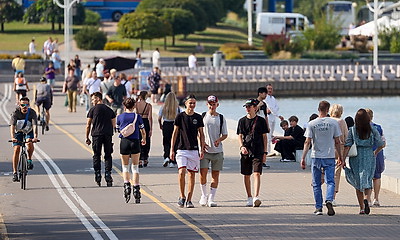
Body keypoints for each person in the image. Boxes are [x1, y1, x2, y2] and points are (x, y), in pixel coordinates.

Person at [301, 100, 343, 216]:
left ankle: (318, 207)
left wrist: (303, 157)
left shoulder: (312, 124)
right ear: (328, 110)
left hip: (316, 156)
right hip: (329, 156)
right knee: (330, 181)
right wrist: (340, 156)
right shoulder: (333, 123)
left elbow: (307, 142)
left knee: (316, 183)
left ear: (318, 109)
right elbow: (338, 142)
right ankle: (329, 199)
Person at [343, 109, 384, 215]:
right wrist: (375, 152)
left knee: (358, 182)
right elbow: (381, 142)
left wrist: (342, 159)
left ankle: (361, 207)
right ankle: (367, 198)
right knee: (368, 179)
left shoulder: (352, 130)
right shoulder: (372, 129)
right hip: (369, 155)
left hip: (356, 156)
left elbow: (347, 145)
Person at [170, 94, 205, 208]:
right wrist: (172, 149)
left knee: (192, 174)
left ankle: (189, 199)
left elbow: (201, 134)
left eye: (194, 103)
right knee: (181, 172)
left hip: (194, 149)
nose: (192, 105)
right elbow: (175, 133)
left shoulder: (198, 117)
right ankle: (182, 196)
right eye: (190, 103)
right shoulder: (180, 117)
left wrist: (202, 148)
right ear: (185, 104)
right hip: (181, 149)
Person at [237, 99, 268, 207]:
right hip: (246, 151)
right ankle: (249, 197)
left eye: (249, 106)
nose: (247, 108)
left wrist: (265, 152)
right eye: (246, 107)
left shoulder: (261, 121)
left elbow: (265, 137)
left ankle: (256, 196)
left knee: (256, 173)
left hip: (258, 150)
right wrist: (241, 147)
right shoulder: (242, 121)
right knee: (246, 175)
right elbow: (239, 135)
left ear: (255, 108)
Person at [199, 95, 228, 207]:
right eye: (210, 104)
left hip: (217, 150)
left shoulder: (221, 118)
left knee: (215, 174)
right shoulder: (203, 116)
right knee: (203, 173)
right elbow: (199, 132)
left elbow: (225, 134)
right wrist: (202, 142)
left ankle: (211, 198)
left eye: (214, 104)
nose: (212, 106)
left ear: (217, 105)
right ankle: (203, 195)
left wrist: (219, 140)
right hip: (205, 150)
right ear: (207, 104)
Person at [117, 98, 146, 203]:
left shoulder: (120, 117)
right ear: (134, 106)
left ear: (124, 106)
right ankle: (136, 189)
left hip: (124, 142)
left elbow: (117, 129)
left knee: (125, 167)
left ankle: (126, 185)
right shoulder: (137, 117)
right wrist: (144, 139)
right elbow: (143, 130)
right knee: (135, 167)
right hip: (135, 142)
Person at [85, 92, 116, 187]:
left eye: (93, 99)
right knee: (108, 155)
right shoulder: (109, 110)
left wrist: (87, 137)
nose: (92, 101)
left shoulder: (92, 110)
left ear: (98, 99)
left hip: (96, 135)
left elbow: (88, 125)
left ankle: (97, 174)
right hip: (107, 135)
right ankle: (108, 174)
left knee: (96, 155)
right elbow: (114, 124)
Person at [10, 97, 38, 182]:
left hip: (28, 131)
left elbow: (35, 125)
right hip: (18, 131)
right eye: (22, 105)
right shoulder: (15, 112)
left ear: (29, 105)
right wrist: (13, 137)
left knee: (29, 143)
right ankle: (15, 173)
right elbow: (12, 126)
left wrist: (35, 137)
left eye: (26, 105)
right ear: (19, 105)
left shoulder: (32, 112)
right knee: (17, 149)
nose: (24, 107)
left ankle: (29, 159)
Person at [365, 108, 386, 207]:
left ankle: (367, 199)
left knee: (367, 177)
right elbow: (383, 143)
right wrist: (376, 152)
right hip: (378, 155)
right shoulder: (378, 128)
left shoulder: (360, 128)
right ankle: (376, 199)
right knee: (377, 177)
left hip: (366, 155)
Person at [328, 104, 348, 206]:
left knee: (327, 172)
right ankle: (332, 198)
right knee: (336, 174)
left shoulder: (327, 121)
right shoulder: (341, 122)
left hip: (327, 150)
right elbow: (346, 136)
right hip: (339, 150)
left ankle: (327, 195)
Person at [158, 92, 181, 168]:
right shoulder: (177, 107)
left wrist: (160, 124)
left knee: (166, 142)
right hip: (174, 125)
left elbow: (159, 118)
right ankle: (173, 161)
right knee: (175, 142)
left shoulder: (163, 107)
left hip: (166, 124)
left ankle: (166, 157)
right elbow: (180, 117)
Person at [264, 84, 284, 156]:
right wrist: (278, 115)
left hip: (273, 117)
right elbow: (270, 108)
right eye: (268, 89)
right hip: (268, 118)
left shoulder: (273, 98)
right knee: (268, 134)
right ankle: (267, 151)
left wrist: (276, 114)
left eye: (271, 89)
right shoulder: (265, 98)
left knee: (271, 134)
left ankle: (270, 150)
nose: (270, 90)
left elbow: (276, 107)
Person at [136, 91, 152, 167]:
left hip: (138, 122)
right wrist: (151, 129)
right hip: (146, 122)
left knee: (138, 140)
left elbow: (135, 115)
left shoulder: (136, 105)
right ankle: (145, 158)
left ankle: (139, 159)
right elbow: (150, 118)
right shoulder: (149, 106)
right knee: (146, 141)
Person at [256, 87, 270, 167]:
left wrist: (267, 126)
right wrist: (258, 106)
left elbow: (265, 116)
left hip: (262, 124)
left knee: (264, 142)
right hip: (256, 124)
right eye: (264, 93)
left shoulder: (264, 104)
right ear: (260, 93)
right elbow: (252, 112)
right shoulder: (254, 102)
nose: (265, 95)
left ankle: (263, 160)